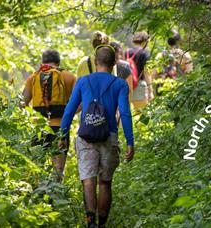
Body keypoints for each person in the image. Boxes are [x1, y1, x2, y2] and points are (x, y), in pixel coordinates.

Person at [60, 46, 134, 228]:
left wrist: (63, 134)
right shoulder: (120, 84)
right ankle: (102, 224)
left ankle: (90, 222)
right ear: (114, 62)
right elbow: (124, 113)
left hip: (86, 137)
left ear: (95, 62)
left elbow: (69, 110)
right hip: (109, 137)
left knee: (88, 181)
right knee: (105, 183)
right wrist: (130, 141)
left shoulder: (83, 81)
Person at [22, 49, 76, 182]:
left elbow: (21, 103)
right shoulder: (69, 77)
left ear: (43, 62)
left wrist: (33, 117)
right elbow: (79, 103)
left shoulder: (33, 77)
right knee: (58, 170)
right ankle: (56, 199)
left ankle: (38, 197)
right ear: (58, 62)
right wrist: (68, 115)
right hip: (60, 128)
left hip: (39, 129)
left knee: (36, 168)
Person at [125, 31, 153, 109]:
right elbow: (147, 73)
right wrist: (150, 91)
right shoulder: (145, 53)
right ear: (145, 41)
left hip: (126, 86)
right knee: (143, 115)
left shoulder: (126, 52)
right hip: (139, 85)